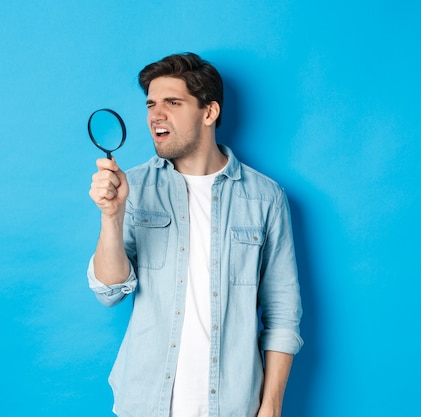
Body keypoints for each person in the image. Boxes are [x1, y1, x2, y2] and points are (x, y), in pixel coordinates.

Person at [87, 52, 303, 417]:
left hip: (233, 405)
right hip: (145, 403)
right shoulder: (133, 187)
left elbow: (283, 313)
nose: (156, 114)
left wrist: (271, 407)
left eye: (173, 102)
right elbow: (109, 291)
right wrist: (112, 215)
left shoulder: (265, 197)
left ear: (209, 112)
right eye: (151, 104)